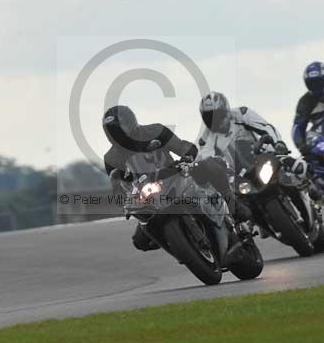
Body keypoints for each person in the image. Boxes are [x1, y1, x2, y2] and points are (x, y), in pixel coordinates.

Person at [102, 105, 253, 252]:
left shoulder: (155, 130)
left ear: (131, 123)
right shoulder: (111, 158)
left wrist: (187, 155)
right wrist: (126, 201)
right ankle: (180, 245)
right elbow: (117, 187)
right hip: (150, 196)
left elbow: (179, 145)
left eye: (120, 130)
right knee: (140, 241)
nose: (118, 135)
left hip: (176, 173)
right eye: (114, 132)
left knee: (211, 166)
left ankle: (233, 205)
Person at [197, 91, 314, 216]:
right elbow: (204, 157)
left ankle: (310, 190)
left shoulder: (241, 114)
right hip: (239, 173)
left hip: (262, 156)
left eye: (219, 115)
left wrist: (278, 143)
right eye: (210, 118)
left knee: (297, 166)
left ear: (226, 110)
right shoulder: (206, 138)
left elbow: (265, 127)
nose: (216, 121)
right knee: (239, 204)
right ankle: (255, 219)